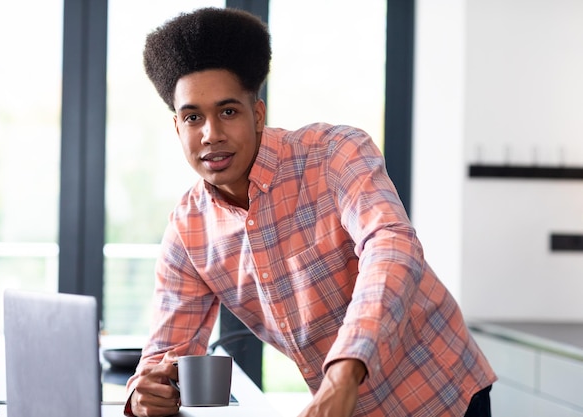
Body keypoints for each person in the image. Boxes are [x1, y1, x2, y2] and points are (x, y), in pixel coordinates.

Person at [125, 7, 497, 417]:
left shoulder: (335, 154)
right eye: (194, 117)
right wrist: (145, 393)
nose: (211, 134)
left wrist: (342, 373)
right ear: (178, 127)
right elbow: (167, 353)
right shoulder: (188, 230)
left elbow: (392, 249)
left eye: (228, 112)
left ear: (258, 115)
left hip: (439, 392)